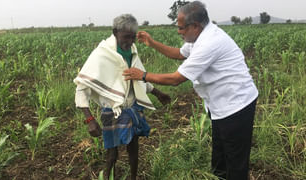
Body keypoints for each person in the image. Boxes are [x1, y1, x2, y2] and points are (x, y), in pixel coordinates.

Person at [123, 1, 258, 180]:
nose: (179, 32)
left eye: (181, 28)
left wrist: (142, 75)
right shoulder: (199, 36)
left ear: (195, 26)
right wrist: (152, 43)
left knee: (235, 160)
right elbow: (179, 53)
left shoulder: (210, 42)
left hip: (236, 106)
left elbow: (175, 79)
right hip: (221, 105)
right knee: (220, 156)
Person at [74, 14, 171, 180]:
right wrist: (90, 120)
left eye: (133, 37)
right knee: (112, 152)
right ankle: (107, 177)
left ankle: (133, 177)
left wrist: (158, 93)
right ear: (115, 32)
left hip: (133, 107)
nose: (131, 41)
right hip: (112, 110)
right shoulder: (102, 54)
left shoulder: (132, 51)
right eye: (127, 37)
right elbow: (82, 88)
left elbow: (139, 79)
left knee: (134, 147)